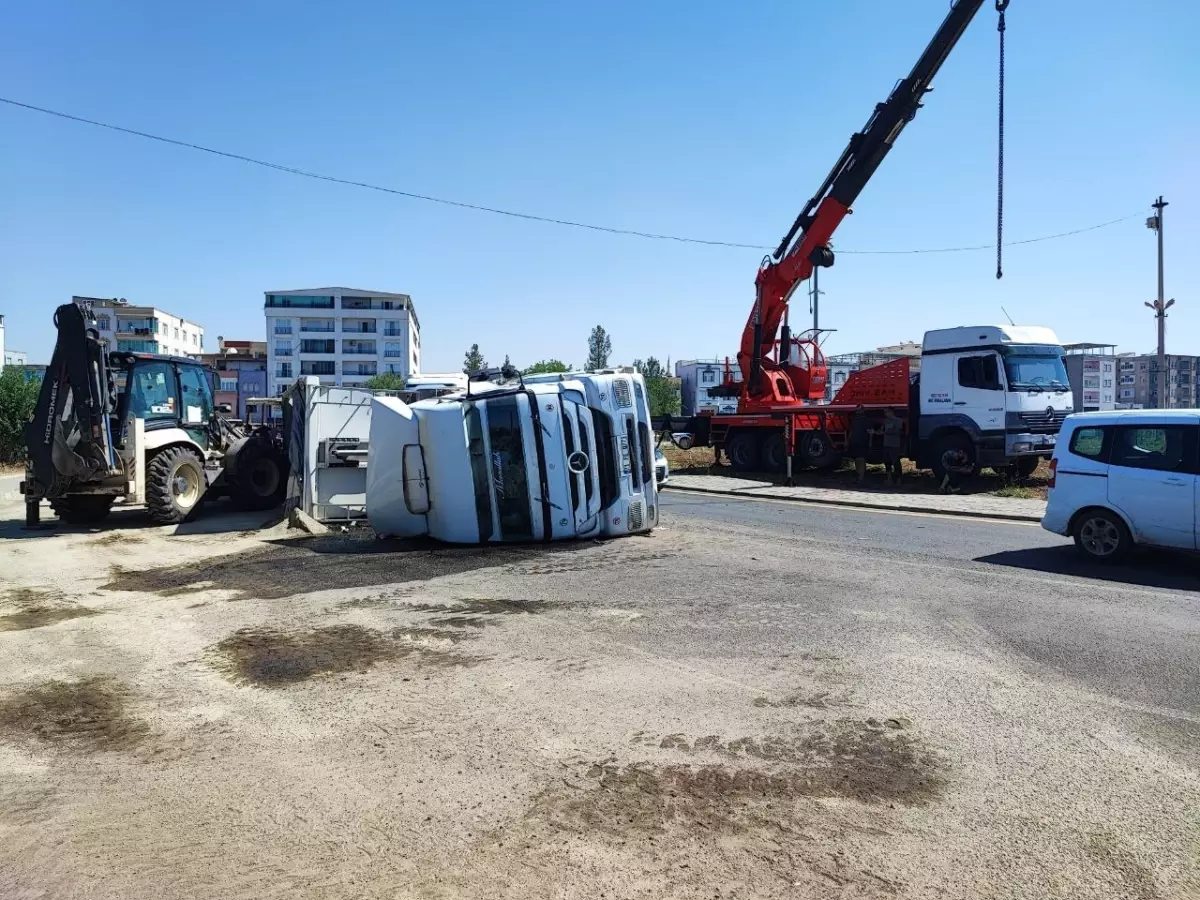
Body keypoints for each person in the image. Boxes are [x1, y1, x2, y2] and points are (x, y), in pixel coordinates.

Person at [882, 408, 904, 485]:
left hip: (894, 444)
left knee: (896, 462)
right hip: (886, 444)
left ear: (891, 412)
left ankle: (899, 479)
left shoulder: (898, 420)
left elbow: (898, 431)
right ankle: (889, 479)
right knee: (887, 462)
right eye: (885, 412)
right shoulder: (886, 421)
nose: (885, 414)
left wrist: (886, 432)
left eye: (887, 412)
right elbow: (883, 429)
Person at [849, 405, 870, 485]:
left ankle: (861, 478)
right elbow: (851, 430)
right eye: (857, 410)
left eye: (859, 410)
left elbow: (869, 432)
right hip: (855, 441)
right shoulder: (854, 419)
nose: (858, 411)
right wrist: (849, 439)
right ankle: (859, 477)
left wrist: (870, 442)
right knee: (857, 460)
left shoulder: (866, 420)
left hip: (862, 441)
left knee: (861, 459)